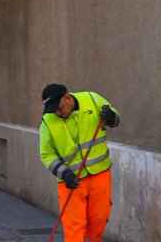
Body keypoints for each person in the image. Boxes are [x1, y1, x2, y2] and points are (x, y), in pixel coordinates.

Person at [39, 83, 120, 242]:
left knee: (99, 220)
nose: (57, 112)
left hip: (99, 174)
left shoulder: (92, 99)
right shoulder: (48, 121)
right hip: (70, 181)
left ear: (68, 98)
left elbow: (115, 118)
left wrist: (111, 116)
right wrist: (64, 173)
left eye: (59, 107)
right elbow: (46, 154)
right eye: (53, 109)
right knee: (74, 227)